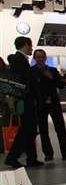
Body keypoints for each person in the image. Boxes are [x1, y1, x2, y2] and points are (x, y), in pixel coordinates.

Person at [4, 37, 43, 169]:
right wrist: (36, 79)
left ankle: (32, 158)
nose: (31, 48)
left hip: (27, 99)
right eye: (30, 46)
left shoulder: (19, 59)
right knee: (26, 129)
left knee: (30, 129)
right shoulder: (19, 59)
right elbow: (29, 78)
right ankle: (12, 157)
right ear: (25, 45)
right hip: (26, 99)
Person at [31, 49, 66, 160]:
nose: (40, 59)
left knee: (60, 128)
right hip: (40, 104)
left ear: (45, 58)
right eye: (38, 57)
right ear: (35, 58)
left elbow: (61, 85)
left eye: (42, 57)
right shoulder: (31, 71)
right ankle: (48, 153)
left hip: (53, 103)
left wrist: (51, 77)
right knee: (43, 130)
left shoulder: (52, 70)